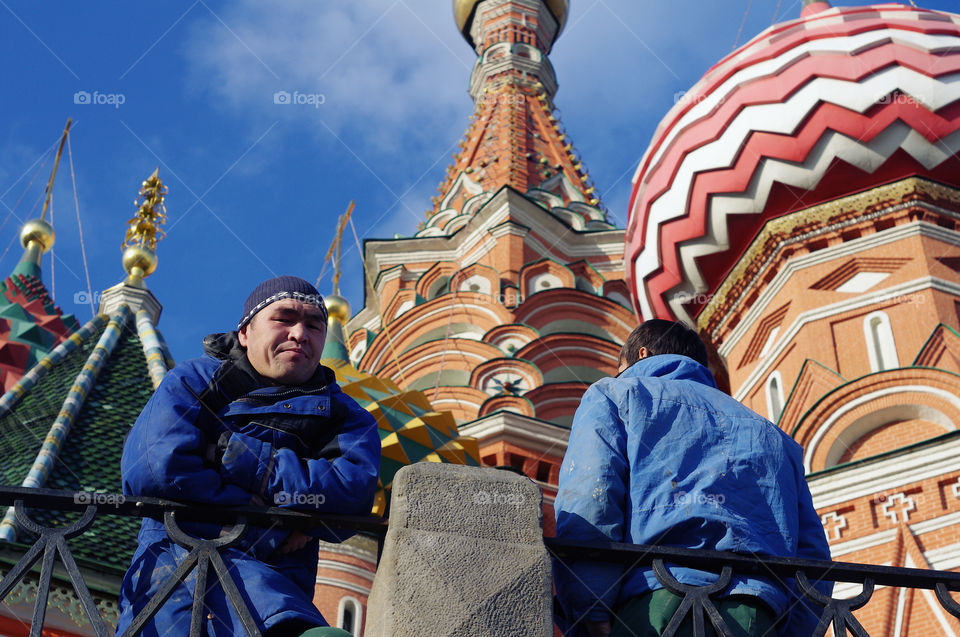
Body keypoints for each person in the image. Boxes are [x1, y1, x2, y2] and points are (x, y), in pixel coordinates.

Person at [116, 276, 381, 637]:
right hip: (173, 575)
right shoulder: (194, 381)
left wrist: (235, 455)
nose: (300, 333)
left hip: (275, 593)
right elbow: (155, 467)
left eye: (314, 325)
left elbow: (350, 496)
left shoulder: (344, 416)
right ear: (245, 333)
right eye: (284, 319)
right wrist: (277, 519)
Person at [554, 319, 832, 637]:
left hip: (656, 604)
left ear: (641, 354)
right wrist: (793, 630)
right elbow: (812, 554)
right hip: (758, 614)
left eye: (622, 365)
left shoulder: (616, 394)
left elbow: (593, 496)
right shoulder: (773, 435)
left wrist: (590, 608)